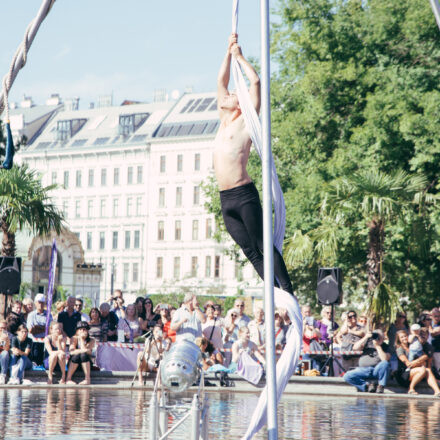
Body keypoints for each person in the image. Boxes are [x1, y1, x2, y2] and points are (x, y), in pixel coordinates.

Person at [215, 33, 293, 295]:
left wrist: (240, 57)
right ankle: (273, 291)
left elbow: (256, 81)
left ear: (241, 103)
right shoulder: (222, 118)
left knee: (262, 243)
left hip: (243, 194)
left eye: (235, 94)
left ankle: (288, 289)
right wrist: (227, 52)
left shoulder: (246, 123)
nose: (230, 94)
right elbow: (221, 80)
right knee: (249, 251)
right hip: (225, 199)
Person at [343, 329, 391, 393]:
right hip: (364, 370)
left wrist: (377, 346)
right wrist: (366, 337)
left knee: (385, 363)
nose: (377, 338)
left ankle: (381, 386)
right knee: (347, 376)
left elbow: (384, 359)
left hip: (376, 370)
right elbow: (355, 348)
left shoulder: (386, 346)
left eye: (379, 337)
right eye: (376, 336)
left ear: (383, 338)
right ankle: (366, 387)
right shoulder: (368, 343)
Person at [394, 330, 440, 396]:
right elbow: (408, 364)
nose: (404, 338)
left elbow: (426, 355)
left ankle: (437, 391)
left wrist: (418, 360)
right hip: (403, 374)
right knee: (423, 369)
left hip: (415, 370)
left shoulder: (413, 346)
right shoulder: (399, 349)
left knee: (428, 370)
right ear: (399, 339)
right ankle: (411, 388)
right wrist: (420, 360)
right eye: (402, 337)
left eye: (405, 336)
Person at [27, 293, 52, 365]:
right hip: (34, 341)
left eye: (42, 303)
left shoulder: (48, 314)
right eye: (39, 302)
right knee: (35, 360)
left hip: (45, 341)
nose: (40, 304)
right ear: (35, 303)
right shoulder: (31, 315)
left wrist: (37, 327)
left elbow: (50, 329)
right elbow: (31, 330)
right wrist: (44, 328)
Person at [0, 320, 10, 384]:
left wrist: (6, 341)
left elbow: (5, 349)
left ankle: (3, 375)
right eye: (1, 328)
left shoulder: (8, 336)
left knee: (5, 353)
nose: (3, 329)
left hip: (3, 357)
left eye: (4, 328)